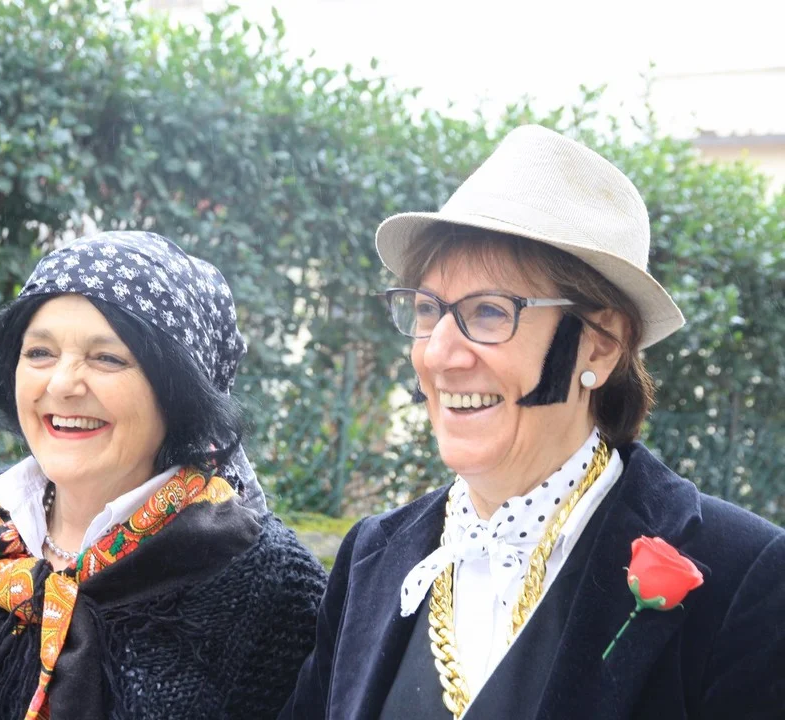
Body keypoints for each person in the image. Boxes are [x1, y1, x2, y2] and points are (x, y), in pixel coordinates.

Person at [281, 125, 785, 719]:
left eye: (489, 312)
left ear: (601, 344)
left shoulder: (743, 577)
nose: (439, 354)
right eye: (427, 310)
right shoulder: (370, 558)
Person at [0, 231, 327, 720]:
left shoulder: (272, 587)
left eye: (107, 358)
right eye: (40, 352)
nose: (62, 384)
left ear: (179, 391)